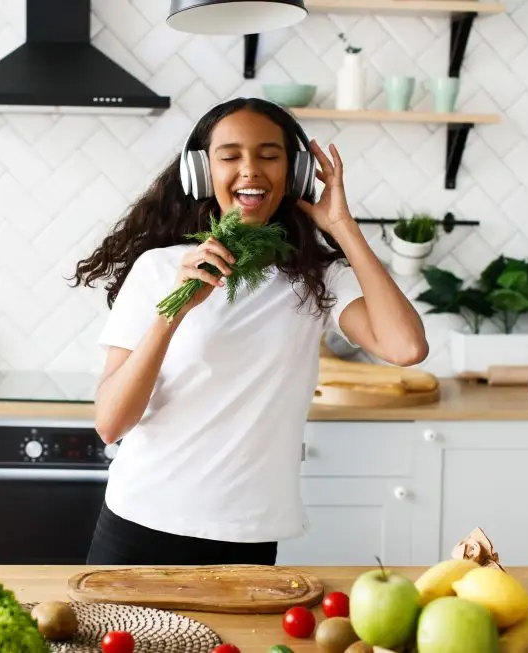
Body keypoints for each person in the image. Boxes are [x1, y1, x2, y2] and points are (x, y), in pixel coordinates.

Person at [70, 97, 428, 566]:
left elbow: (406, 347)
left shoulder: (318, 278)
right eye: (230, 155)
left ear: (294, 173)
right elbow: (111, 423)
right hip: (140, 522)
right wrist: (174, 311)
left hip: (248, 533)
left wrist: (342, 227)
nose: (251, 170)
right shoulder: (159, 269)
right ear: (202, 172)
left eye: (269, 155)